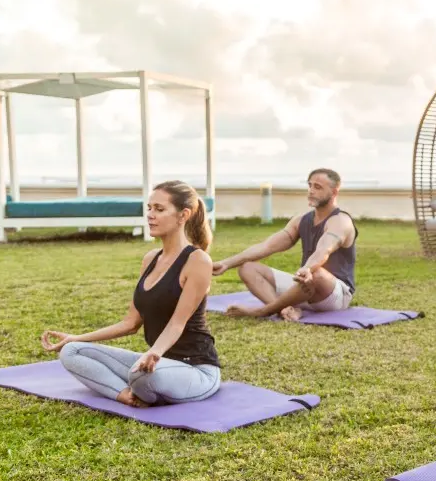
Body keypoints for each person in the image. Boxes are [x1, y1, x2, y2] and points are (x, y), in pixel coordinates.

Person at [41, 181, 221, 408]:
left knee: (142, 375)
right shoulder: (150, 259)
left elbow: (177, 324)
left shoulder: (197, 260)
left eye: (159, 209)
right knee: (71, 352)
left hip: (196, 369)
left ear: (183, 215)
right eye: (149, 208)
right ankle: (125, 395)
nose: (150, 215)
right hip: (158, 362)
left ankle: (139, 386)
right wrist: (76, 337)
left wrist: (154, 352)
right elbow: (130, 323)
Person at [213, 168, 358, 321]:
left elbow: (324, 249)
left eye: (318, 187)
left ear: (334, 192)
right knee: (247, 267)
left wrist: (307, 269)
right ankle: (285, 309)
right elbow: (266, 247)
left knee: (317, 273)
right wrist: (226, 264)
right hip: (305, 286)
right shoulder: (301, 220)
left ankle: (264, 311)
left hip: (333, 294)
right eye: (310, 186)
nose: (311, 191)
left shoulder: (341, 221)